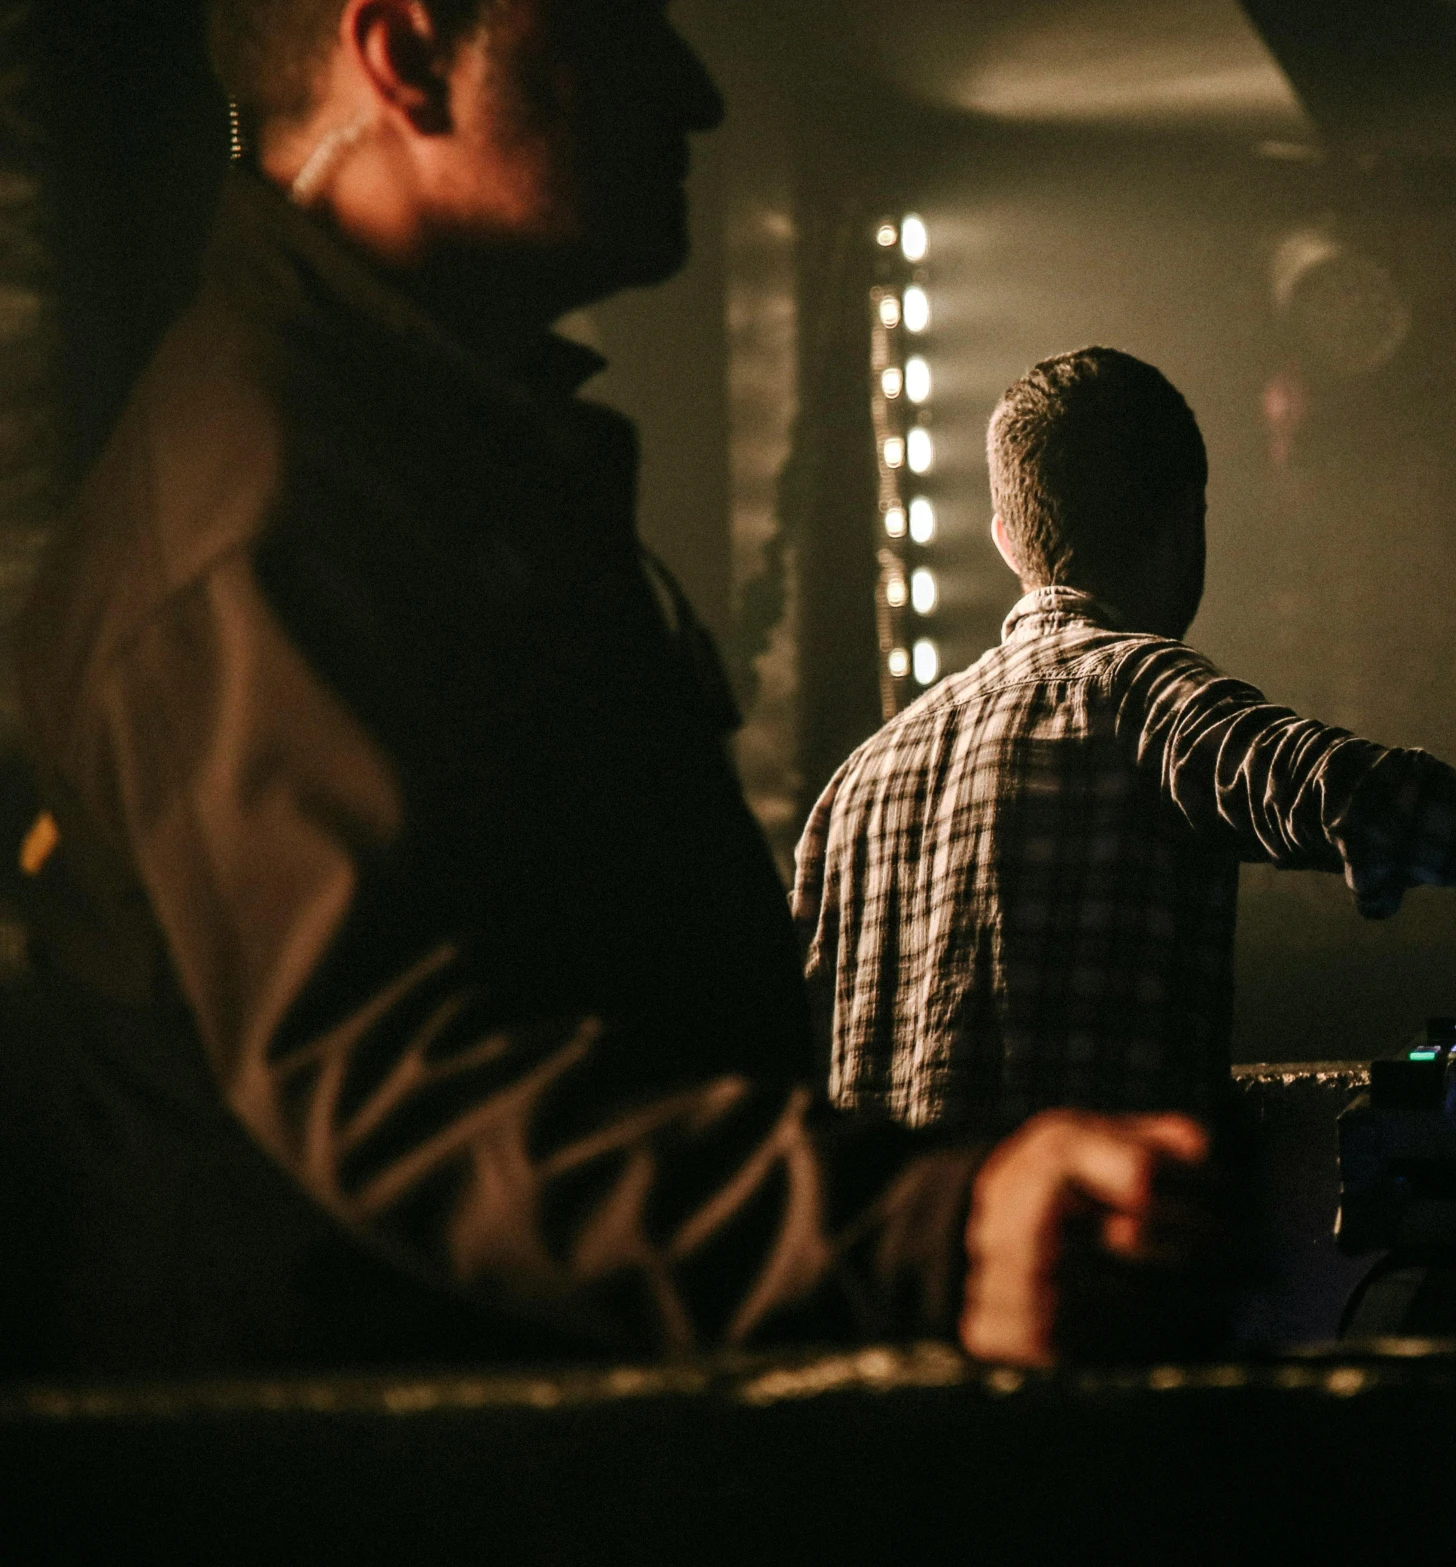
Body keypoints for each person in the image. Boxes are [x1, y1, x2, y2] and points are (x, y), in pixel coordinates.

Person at [6, 0, 1205, 1374]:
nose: (695, 95)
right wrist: (933, 1235)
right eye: (616, 27)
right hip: (397, 1475)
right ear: (404, 56)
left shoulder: (414, 446)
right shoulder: (268, 506)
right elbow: (399, 1075)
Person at [797, 347, 1456, 1132]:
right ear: (1186, 520)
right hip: (1090, 1322)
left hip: (885, 1343)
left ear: (1006, 540)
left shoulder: (853, 785)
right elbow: (1364, 796)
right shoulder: (1138, 696)